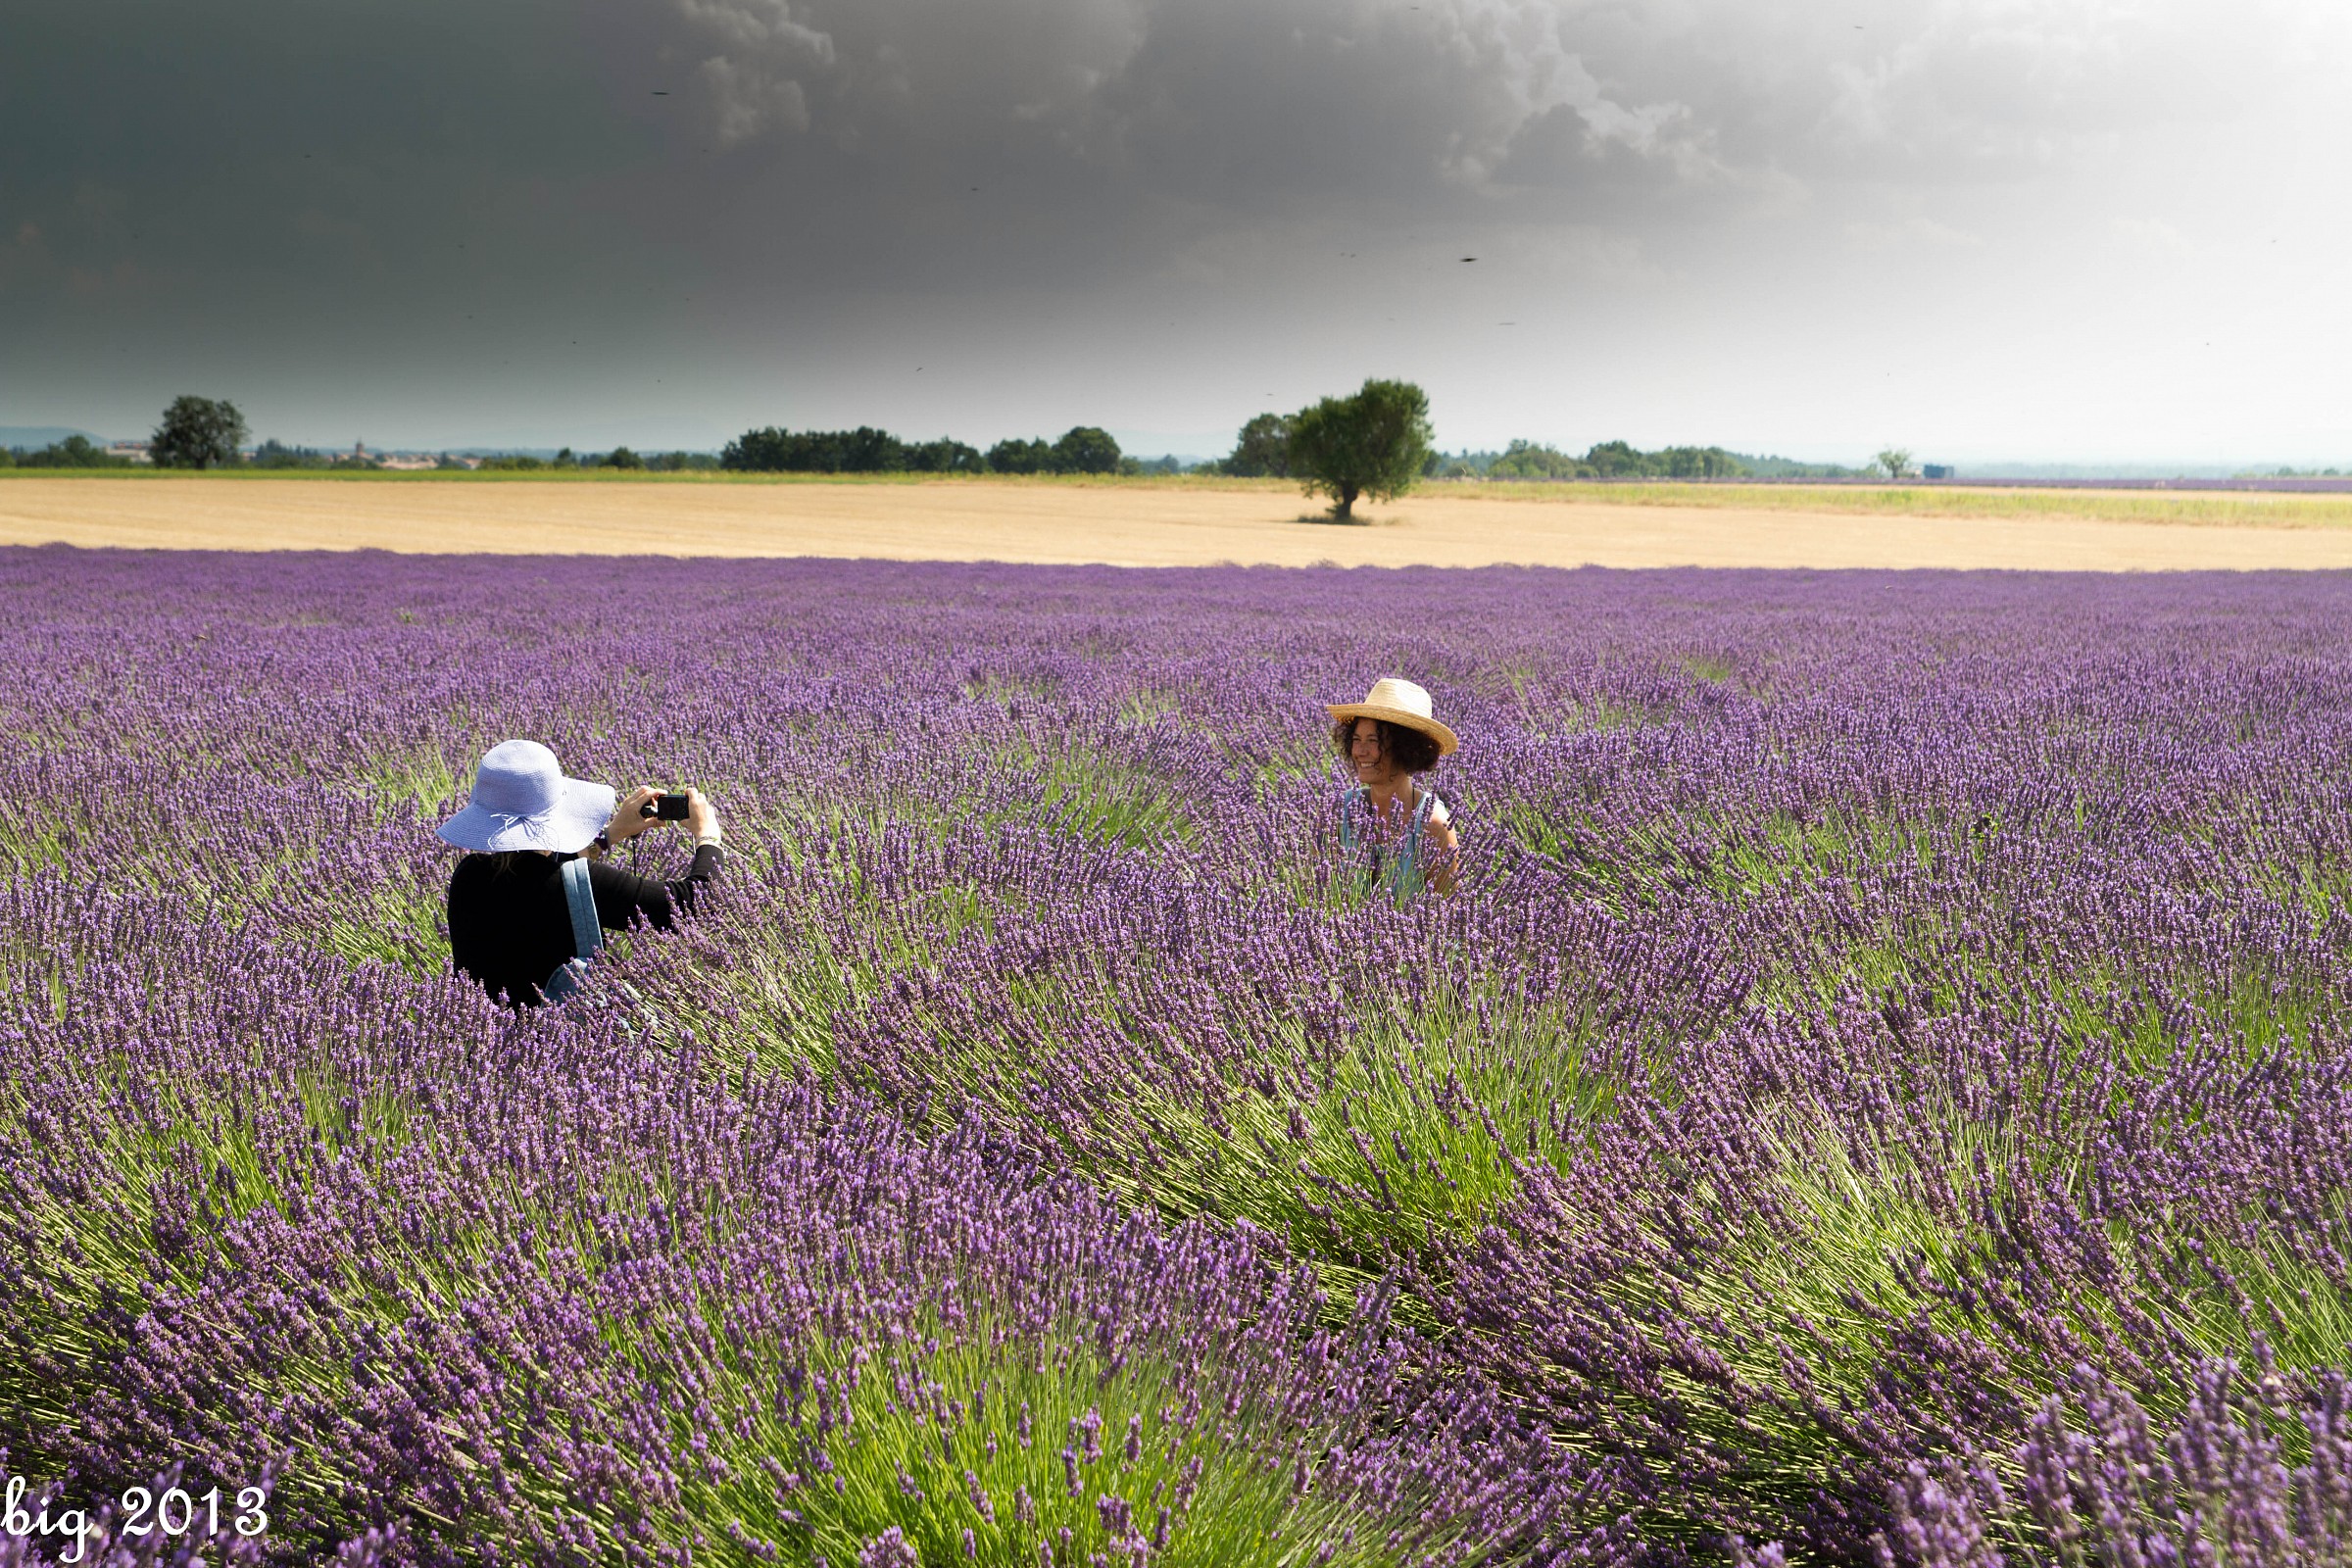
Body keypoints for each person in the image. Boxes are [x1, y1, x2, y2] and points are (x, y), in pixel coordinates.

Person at [437, 739, 723, 1006]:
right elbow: (693, 903)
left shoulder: (468, 875)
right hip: (565, 1053)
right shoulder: (583, 884)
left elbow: (536, 877)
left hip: (478, 1049)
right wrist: (707, 834)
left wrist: (610, 835)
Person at [1327, 677, 1461, 902]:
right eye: (1356, 739)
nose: (1360, 751)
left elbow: (1448, 915)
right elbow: (1315, 895)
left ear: (1404, 748)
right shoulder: (1338, 813)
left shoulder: (1433, 826)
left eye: (1373, 741)